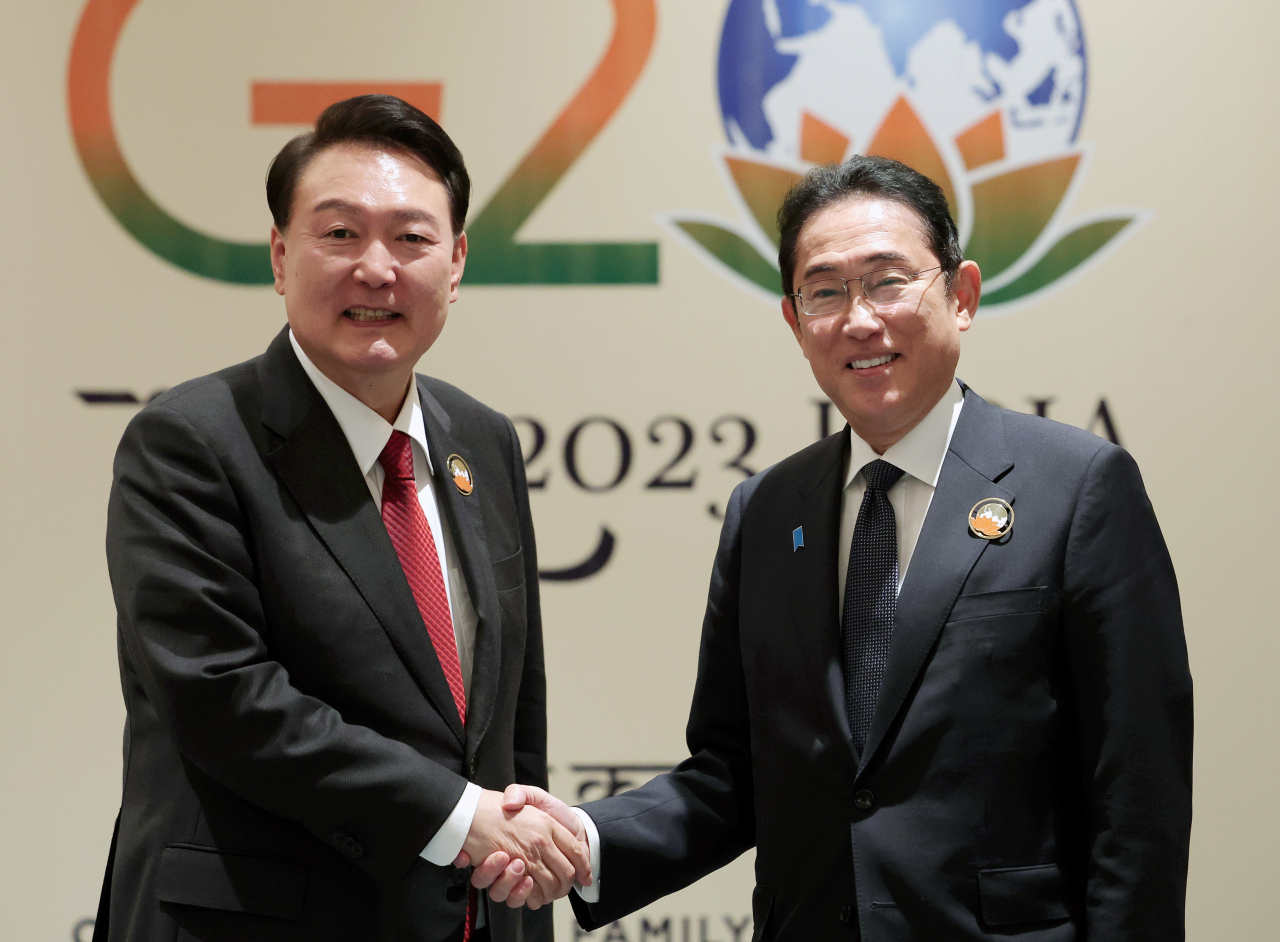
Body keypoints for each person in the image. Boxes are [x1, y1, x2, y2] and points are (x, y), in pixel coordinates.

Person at [473, 156, 1193, 939]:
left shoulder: (1078, 487)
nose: (859, 319)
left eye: (889, 281)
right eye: (826, 291)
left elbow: (1138, 801)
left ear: (963, 295)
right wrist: (586, 840)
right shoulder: (767, 509)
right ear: (794, 321)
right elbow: (735, 774)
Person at [95, 95, 589, 942]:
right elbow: (223, 697)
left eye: (412, 238)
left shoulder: (483, 440)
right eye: (339, 234)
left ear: (458, 262)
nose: (376, 268)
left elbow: (510, 711)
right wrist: (459, 816)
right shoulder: (191, 441)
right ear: (281, 257)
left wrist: (513, 863)